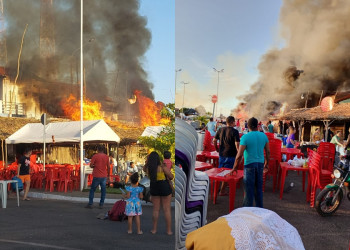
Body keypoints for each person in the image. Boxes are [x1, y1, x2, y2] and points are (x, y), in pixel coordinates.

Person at [231, 117, 270, 208]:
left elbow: (239, 155)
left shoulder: (245, 137)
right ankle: (260, 210)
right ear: (257, 125)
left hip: (249, 165)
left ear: (247, 126)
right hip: (260, 164)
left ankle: (247, 212)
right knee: (259, 189)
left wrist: (235, 167)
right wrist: (267, 163)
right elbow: (268, 152)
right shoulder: (264, 136)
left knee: (249, 190)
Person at [143, 151, 173, 235]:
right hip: (164, 186)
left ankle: (154, 230)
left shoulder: (148, 168)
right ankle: (169, 231)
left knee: (156, 209)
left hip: (154, 186)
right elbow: (171, 177)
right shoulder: (162, 167)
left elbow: (144, 168)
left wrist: (147, 161)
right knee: (166, 209)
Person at [213, 116, 240, 196]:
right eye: (234, 122)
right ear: (232, 122)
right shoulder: (235, 131)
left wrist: (216, 148)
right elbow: (237, 145)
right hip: (231, 155)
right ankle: (222, 190)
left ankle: (217, 190)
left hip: (222, 154)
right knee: (227, 173)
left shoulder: (220, 130)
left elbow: (214, 140)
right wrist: (239, 154)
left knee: (220, 172)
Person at [85, 145, 110, 209]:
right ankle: (101, 204)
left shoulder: (95, 156)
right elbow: (108, 167)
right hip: (104, 175)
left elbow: (91, 165)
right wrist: (108, 175)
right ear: (103, 150)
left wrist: (94, 166)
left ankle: (90, 203)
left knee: (92, 189)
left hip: (96, 175)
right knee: (103, 190)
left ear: (98, 149)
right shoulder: (106, 157)